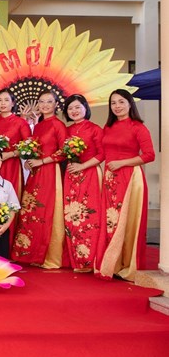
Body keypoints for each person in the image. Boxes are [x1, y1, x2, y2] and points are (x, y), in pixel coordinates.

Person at [95, 89, 155, 280]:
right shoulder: (108, 127)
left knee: (127, 220)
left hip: (130, 178)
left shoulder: (138, 127)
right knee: (110, 220)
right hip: (110, 178)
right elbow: (102, 153)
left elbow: (149, 155)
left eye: (121, 102)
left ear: (130, 104)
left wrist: (122, 163)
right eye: (113, 103)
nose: (117, 106)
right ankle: (112, 263)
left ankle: (127, 264)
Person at [11, 91, 68, 267]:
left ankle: (47, 255)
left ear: (56, 104)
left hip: (50, 171)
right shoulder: (39, 125)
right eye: (41, 101)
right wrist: (31, 161)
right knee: (31, 210)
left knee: (46, 210)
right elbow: (33, 148)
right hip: (35, 172)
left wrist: (41, 161)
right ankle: (31, 253)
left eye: (49, 102)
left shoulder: (58, 125)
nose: (45, 105)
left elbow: (64, 151)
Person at [61, 94, 103, 273]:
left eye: (78, 107)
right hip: (71, 175)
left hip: (90, 174)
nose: (74, 111)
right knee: (71, 216)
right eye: (70, 108)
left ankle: (89, 259)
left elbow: (102, 154)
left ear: (86, 108)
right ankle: (74, 258)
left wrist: (82, 166)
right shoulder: (66, 130)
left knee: (89, 216)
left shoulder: (95, 129)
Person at [0, 89, 32, 200]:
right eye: (0, 100)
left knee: (12, 196)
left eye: (6, 100)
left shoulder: (20, 122)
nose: (3, 103)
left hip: (12, 165)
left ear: (13, 103)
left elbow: (29, 146)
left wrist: (11, 154)